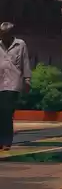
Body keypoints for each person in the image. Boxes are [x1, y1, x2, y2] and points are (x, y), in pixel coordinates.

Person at [0, 21, 31, 151]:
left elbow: (25, 61)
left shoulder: (20, 44)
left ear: (11, 34)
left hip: (13, 83)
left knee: (6, 112)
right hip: (0, 82)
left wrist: (27, 79)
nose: (3, 37)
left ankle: (6, 141)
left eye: (5, 34)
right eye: (1, 34)